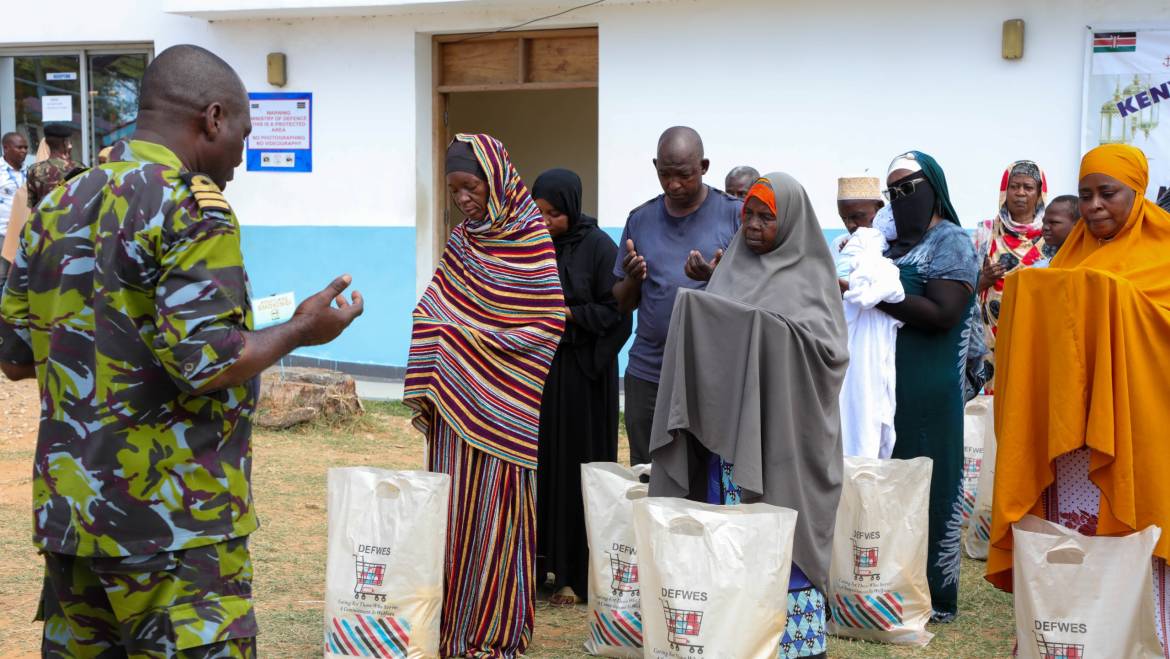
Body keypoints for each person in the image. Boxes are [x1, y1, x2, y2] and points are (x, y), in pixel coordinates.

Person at [0, 44, 363, 657]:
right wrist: (303, 329)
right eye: (243, 134)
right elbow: (211, 362)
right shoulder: (192, 207)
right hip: (173, 529)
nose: (241, 156)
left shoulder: (58, 203)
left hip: (73, 522)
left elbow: (13, 358)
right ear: (213, 118)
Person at [649, 173, 848, 658]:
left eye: (766, 217)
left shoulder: (811, 276)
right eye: (749, 215)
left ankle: (793, 644)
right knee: (729, 541)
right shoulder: (731, 268)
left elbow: (829, 356)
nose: (754, 225)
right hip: (729, 445)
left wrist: (763, 331)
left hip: (784, 445)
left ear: (790, 221)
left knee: (780, 537)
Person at [987, 144, 1170, 655]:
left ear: (1137, 192)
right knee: (1072, 551)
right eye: (1085, 194)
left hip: (1137, 438)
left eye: (1108, 193)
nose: (1094, 206)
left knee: (1138, 550)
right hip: (1070, 450)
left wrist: (1112, 300)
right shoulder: (1069, 257)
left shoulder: (1164, 253)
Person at [404, 134, 565, 658]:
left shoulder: (531, 236)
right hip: (456, 410)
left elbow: (549, 321)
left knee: (497, 514)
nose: (464, 199)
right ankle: (451, 621)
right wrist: (436, 328)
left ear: (494, 179)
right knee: (455, 512)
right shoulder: (463, 242)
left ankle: (493, 626)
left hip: (505, 409)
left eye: (470, 187)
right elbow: (434, 305)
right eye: (454, 190)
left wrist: (473, 341)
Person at [875, 151, 979, 623]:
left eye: (909, 188)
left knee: (932, 482)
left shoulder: (950, 241)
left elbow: (943, 314)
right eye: (893, 191)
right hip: (887, 385)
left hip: (931, 386)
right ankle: (884, 585)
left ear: (933, 187)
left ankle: (935, 596)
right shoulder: (888, 243)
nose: (901, 198)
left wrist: (877, 295)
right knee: (889, 481)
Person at [532, 168, 631, 608]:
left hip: (583, 379)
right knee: (540, 465)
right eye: (539, 212)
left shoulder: (599, 248)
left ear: (572, 208)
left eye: (553, 214)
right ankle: (537, 566)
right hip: (538, 374)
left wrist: (568, 315)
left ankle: (573, 574)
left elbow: (617, 311)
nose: (545, 221)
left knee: (577, 467)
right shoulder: (529, 246)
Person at [613, 126, 740, 465]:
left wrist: (716, 278)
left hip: (710, 374)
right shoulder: (640, 220)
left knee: (705, 476)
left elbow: (756, 297)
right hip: (649, 373)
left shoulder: (734, 215)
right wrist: (633, 278)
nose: (673, 185)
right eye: (664, 174)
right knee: (647, 473)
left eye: (684, 175)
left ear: (704, 166)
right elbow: (623, 303)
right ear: (656, 166)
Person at [973, 160, 1047, 392]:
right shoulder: (986, 232)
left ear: (1039, 193)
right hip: (991, 336)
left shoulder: (1053, 234)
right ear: (1005, 191)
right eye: (1014, 186)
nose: (1020, 193)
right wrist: (984, 279)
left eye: (1028, 187)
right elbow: (963, 288)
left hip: (1036, 331)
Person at [25, 123, 83, 209]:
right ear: (65, 142)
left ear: (46, 143)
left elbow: (32, 205)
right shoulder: (78, 167)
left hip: (44, 216)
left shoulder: (33, 170)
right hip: (72, 216)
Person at [0, 131, 28, 283]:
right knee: (2, 278)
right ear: (6, 148)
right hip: (3, 234)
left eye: (26, 147)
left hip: (25, 235)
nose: (24, 151)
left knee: (21, 281)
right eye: (19, 147)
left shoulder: (31, 171)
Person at [834, 175, 885, 252]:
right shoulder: (838, 245)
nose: (850, 225)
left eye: (857, 216)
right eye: (844, 218)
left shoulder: (895, 244)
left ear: (879, 207)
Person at [1035, 193, 1079, 266]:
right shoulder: (1039, 268)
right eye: (1044, 222)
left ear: (1077, 225)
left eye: (1053, 222)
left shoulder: (1091, 265)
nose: (1045, 227)